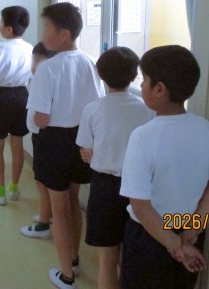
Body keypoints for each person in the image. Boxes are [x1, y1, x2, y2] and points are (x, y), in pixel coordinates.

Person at [120, 45, 209, 289]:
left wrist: (175, 245)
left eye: (144, 79)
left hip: (149, 238)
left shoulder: (142, 137)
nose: (141, 84)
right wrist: (192, 231)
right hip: (189, 234)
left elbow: (140, 205)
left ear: (159, 89)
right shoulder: (207, 130)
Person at [27, 2, 105, 289]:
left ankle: (66, 275)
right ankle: (74, 258)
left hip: (54, 142)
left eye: (47, 27)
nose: (43, 33)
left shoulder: (47, 69)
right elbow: (96, 105)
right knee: (73, 201)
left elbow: (41, 117)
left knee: (58, 209)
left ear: (64, 34)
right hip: (81, 139)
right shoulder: (90, 63)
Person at [76, 47, 153, 289]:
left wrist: (95, 156)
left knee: (107, 260)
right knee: (131, 256)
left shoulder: (92, 109)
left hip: (105, 188)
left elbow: (86, 150)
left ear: (100, 75)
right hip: (140, 188)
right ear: (135, 76)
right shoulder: (147, 110)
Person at [0, 6, 33, 206]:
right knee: (17, 144)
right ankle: (14, 188)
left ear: (9, 29)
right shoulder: (30, 48)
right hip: (22, 96)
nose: (0, 25)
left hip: (0, 96)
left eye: (1, 22)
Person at [20, 42, 56, 239]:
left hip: (43, 136)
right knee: (43, 179)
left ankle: (43, 224)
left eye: (36, 60)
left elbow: (39, 117)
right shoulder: (42, 78)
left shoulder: (42, 79)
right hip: (43, 135)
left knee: (41, 181)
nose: (33, 65)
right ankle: (47, 213)